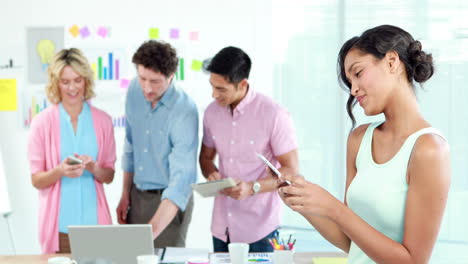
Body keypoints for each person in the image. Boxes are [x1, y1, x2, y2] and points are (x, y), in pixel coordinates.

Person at [280, 25, 451, 263]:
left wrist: (332, 207)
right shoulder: (359, 139)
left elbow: (413, 260)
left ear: (392, 62)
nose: (353, 89)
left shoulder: (428, 149)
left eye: (358, 73)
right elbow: (351, 242)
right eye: (349, 81)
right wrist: (307, 203)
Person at [199, 46, 299, 252]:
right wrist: (211, 174)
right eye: (212, 86)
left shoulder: (274, 114)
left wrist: (253, 187)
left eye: (221, 89)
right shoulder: (211, 113)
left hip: (260, 229)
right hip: (221, 228)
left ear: (242, 84)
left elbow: (291, 171)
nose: (214, 94)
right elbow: (206, 157)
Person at [27, 48, 116, 254]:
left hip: (97, 228)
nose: (72, 88)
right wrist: (60, 171)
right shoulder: (42, 123)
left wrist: (94, 168)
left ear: (86, 80)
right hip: (59, 230)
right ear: (55, 83)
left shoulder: (103, 121)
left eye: (77, 80)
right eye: (65, 81)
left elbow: (109, 175)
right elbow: (36, 180)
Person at [116, 40, 198, 248]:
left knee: (164, 259)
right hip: (137, 195)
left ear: (171, 77)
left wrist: (151, 230)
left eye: (155, 81)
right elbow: (131, 144)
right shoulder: (135, 90)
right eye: (142, 78)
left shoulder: (184, 111)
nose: (147, 87)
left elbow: (182, 179)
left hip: (168, 201)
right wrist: (125, 193)